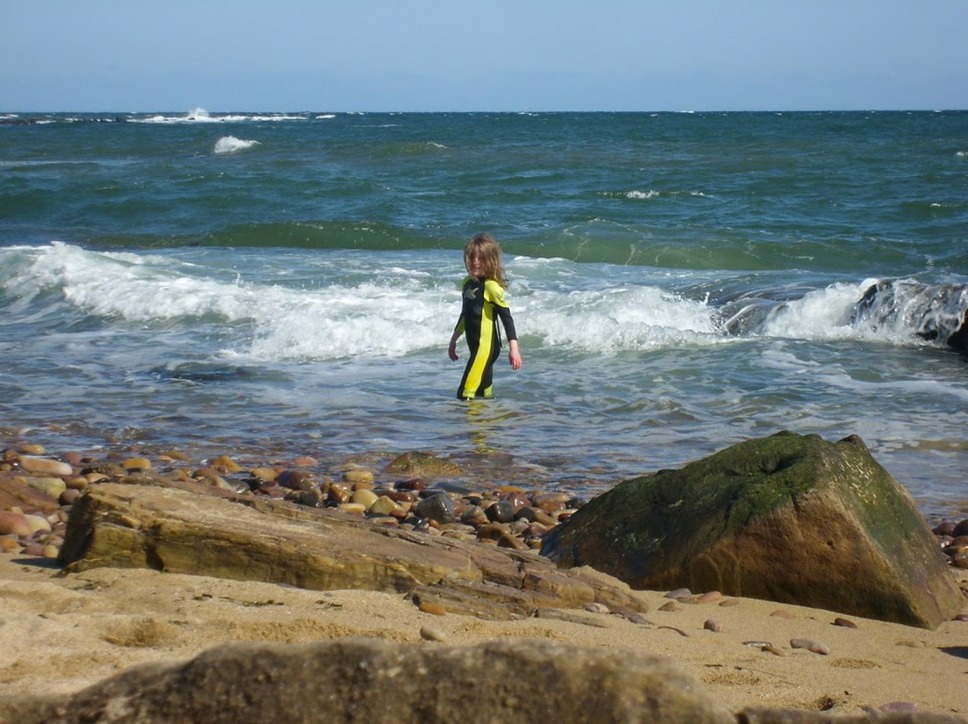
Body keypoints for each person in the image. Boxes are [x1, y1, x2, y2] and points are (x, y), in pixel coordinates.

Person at [448, 233, 522, 400]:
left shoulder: (491, 287)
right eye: (472, 257)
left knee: (465, 393)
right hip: (474, 347)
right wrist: (453, 340)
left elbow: (507, 318)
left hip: (486, 349)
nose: (475, 262)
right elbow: (465, 315)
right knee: (484, 393)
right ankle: (490, 422)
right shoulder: (467, 283)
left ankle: (468, 425)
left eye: (481, 258)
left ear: (491, 260)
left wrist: (514, 349)